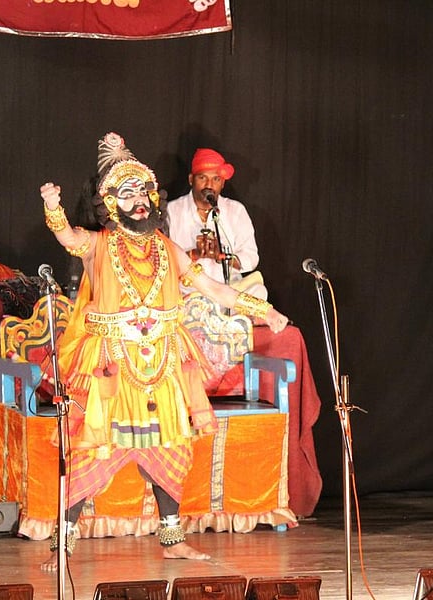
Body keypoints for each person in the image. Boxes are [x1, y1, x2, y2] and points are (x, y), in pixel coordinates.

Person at [38, 132, 289, 569]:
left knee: (173, 447)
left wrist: (263, 309)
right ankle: (63, 546)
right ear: (110, 203)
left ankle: (172, 540)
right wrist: (53, 208)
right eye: (127, 193)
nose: (139, 201)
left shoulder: (167, 248)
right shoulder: (99, 245)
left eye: (144, 193)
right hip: (114, 365)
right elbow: (66, 238)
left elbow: (213, 287)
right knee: (92, 452)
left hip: (165, 361)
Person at [166, 148, 267, 299]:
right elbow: (162, 259)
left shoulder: (236, 210)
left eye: (216, 179)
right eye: (202, 178)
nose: (209, 185)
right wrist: (195, 254)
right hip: (187, 293)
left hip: (229, 292)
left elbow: (251, 257)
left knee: (258, 292)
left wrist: (224, 256)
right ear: (190, 179)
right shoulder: (172, 210)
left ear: (223, 183)